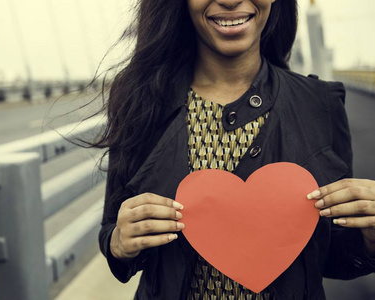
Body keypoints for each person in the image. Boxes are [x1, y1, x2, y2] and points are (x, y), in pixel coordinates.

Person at [94, 0, 375, 299]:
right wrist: (118, 243)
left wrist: (370, 239)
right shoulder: (141, 102)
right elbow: (112, 229)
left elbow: (330, 253)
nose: (229, 1)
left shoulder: (321, 104)